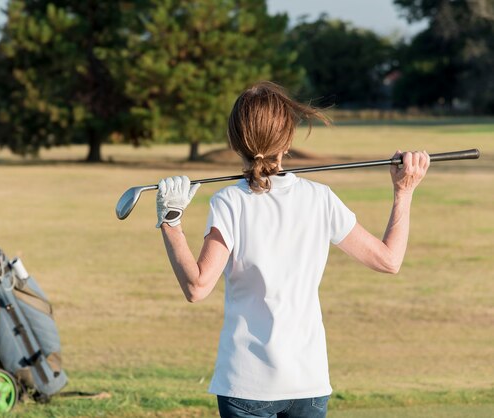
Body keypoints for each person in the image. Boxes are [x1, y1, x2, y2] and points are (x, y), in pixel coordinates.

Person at [155, 81, 430, 418]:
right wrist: (404, 191)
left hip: (246, 386)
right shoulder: (320, 198)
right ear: (287, 139)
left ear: (233, 140)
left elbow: (197, 287)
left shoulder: (229, 201)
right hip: (308, 384)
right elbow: (389, 260)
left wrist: (170, 220)